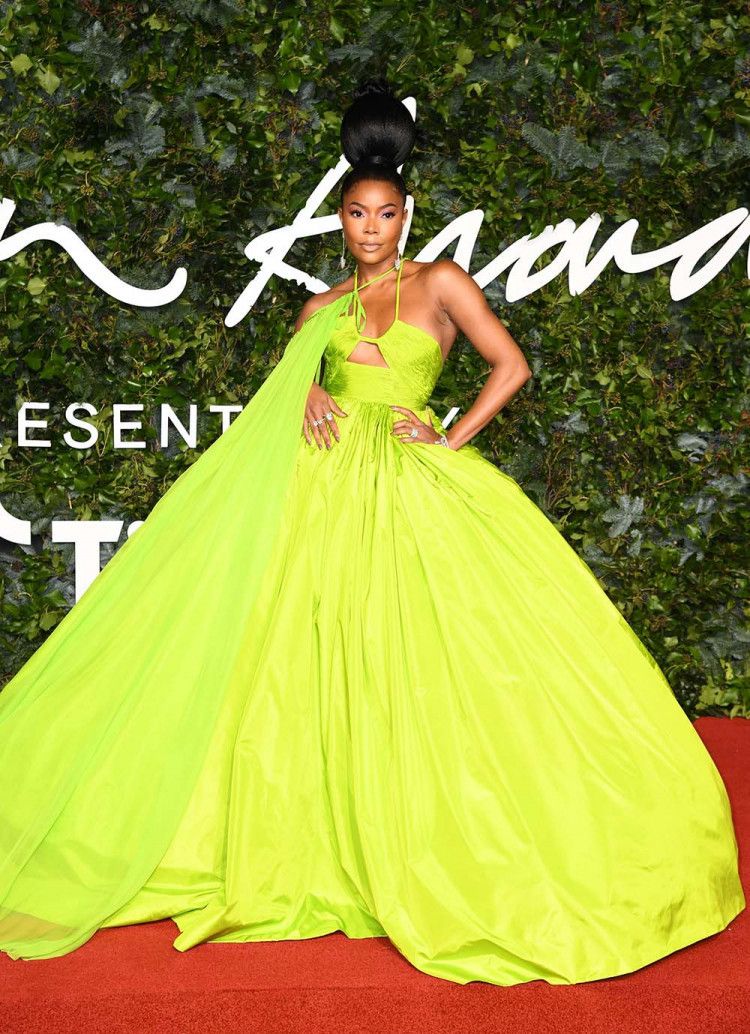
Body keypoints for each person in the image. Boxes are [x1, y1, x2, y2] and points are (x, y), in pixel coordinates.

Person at [0, 78, 744, 987]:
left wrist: (451, 437)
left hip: (412, 488)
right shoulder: (318, 310)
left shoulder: (441, 282)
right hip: (318, 496)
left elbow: (510, 365)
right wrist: (306, 388)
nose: (370, 228)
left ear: (406, 215)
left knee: (436, 661)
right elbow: (281, 399)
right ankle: (302, 840)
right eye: (356, 214)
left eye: (385, 214)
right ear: (340, 220)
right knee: (294, 662)